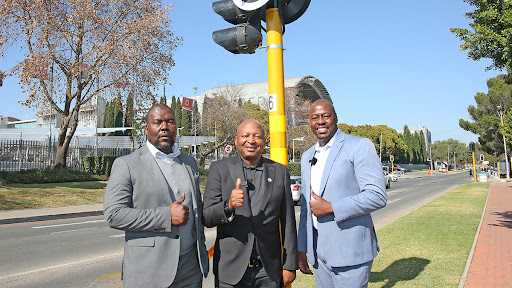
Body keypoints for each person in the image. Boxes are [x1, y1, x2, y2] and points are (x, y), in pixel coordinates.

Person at [103, 104, 209, 288]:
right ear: (147, 129)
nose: (164, 127)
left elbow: (196, 210)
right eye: (157, 122)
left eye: (170, 122)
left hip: (190, 268)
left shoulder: (189, 162)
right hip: (149, 270)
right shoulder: (127, 164)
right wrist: (166, 216)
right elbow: (114, 214)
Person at [297, 99, 387, 288]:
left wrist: (331, 207)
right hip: (319, 255)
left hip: (350, 253)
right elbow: (306, 207)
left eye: (326, 116)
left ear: (335, 118)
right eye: (315, 118)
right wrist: (303, 248)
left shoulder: (359, 146)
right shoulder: (307, 156)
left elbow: (377, 195)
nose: (320, 121)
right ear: (310, 123)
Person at [203, 119, 298, 288]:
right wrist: (228, 206)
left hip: (269, 272)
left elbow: (288, 222)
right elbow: (207, 217)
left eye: (257, 136)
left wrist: (290, 264)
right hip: (230, 272)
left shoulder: (279, 171)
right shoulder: (219, 169)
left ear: (264, 141)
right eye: (245, 136)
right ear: (236, 140)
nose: (251, 140)